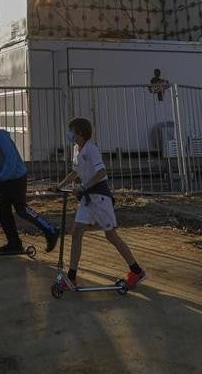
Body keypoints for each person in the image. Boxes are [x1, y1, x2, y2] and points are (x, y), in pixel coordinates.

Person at [56, 117, 147, 290]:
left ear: (80, 133)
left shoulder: (91, 149)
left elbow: (101, 173)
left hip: (100, 198)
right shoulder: (76, 149)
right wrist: (59, 186)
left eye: (71, 131)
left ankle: (137, 271)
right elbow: (75, 172)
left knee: (111, 235)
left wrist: (83, 187)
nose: (69, 134)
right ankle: (71, 278)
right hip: (87, 199)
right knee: (76, 232)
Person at [0, 111, 59, 254]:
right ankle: (14, 243)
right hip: (5, 180)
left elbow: (11, 159)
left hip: (16, 179)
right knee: (3, 212)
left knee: (21, 210)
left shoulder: (2, 138)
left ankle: (50, 229)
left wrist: (2, 175)